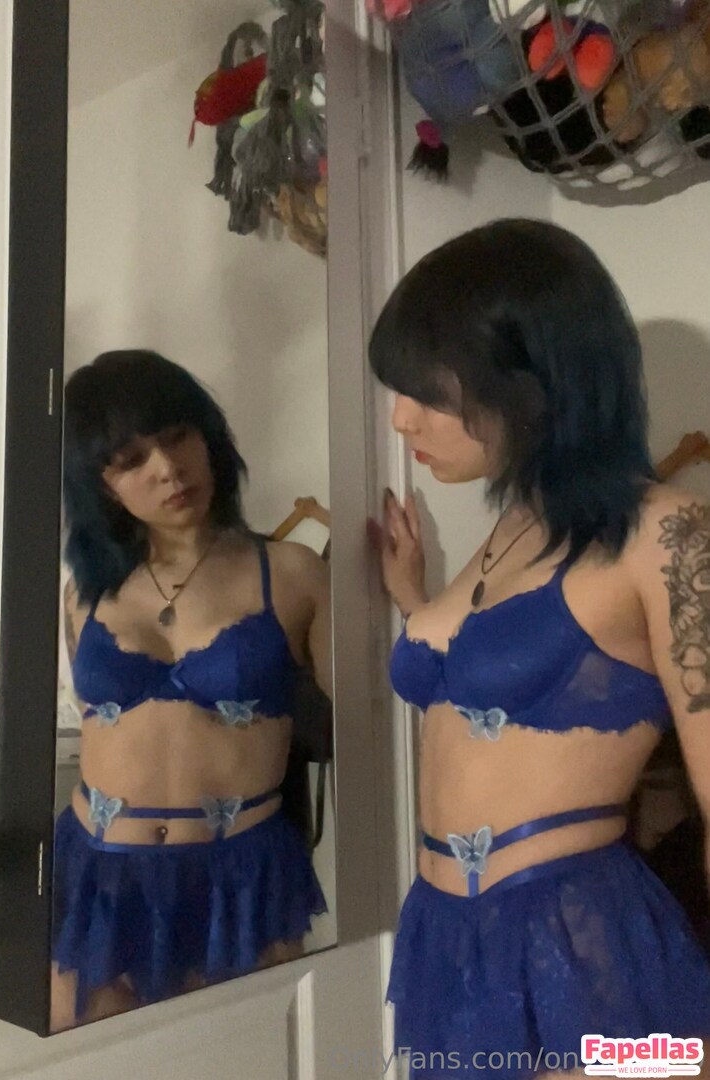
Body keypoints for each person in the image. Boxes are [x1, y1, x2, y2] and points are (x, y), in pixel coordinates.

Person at [369, 219, 710, 1079]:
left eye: (429, 391)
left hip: (581, 944)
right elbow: (481, 685)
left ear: (531, 378)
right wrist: (413, 601)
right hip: (444, 937)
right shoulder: (510, 532)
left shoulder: (666, 534)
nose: (402, 418)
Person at [51, 349, 330, 1030]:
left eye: (177, 437)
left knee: (244, 1053)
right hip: (98, 872)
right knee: (90, 1064)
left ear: (209, 437)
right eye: (131, 460)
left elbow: (376, 725)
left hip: (238, 876)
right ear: (100, 483)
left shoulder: (292, 572)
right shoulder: (82, 592)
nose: (168, 469)